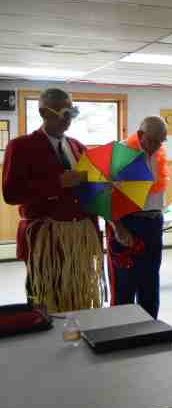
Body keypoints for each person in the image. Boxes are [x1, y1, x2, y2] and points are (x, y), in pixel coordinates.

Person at [2, 88, 102, 313]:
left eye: (71, 113)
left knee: (77, 296)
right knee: (45, 299)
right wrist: (57, 183)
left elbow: (89, 193)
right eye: (63, 113)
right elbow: (11, 193)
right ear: (44, 113)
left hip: (79, 238)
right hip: (45, 238)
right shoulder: (21, 146)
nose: (68, 120)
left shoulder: (77, 146)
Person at [106, 116, 169, 319]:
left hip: (153, 223)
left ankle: (149, 326)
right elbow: (103, 195)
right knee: (124, 282)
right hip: (126, 222)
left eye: (161, 141)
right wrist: (117, 227)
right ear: (140, 134)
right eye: (153, 140)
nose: (157, 145)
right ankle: (122, 329)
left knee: (150, 281)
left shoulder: (158, 152)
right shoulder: (120, 153)